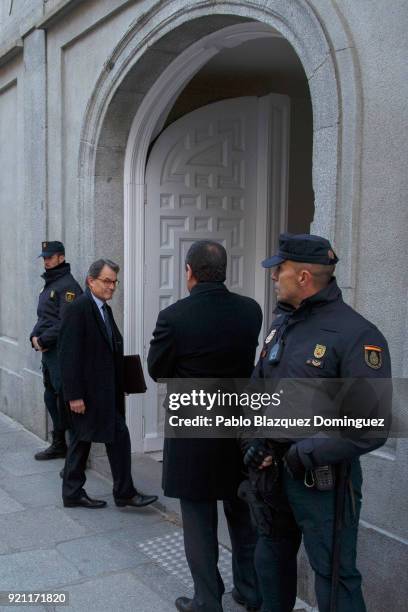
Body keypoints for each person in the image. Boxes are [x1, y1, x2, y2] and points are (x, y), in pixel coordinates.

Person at [242, 233, 391, 612]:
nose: (274, 276)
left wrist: (302, 454)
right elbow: (257, 389)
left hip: (322, 482)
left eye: (281, 269)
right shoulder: (282, 324)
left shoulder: (356, 334)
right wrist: (252, 440)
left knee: (334, 577)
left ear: (304, 277)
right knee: (270, 562)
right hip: (271, 475)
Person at [148, 240, 263, 612]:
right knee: (242, 514)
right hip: (238, 427)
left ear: (189, 272)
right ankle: (249, 590)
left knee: (199, 521)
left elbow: (158, 370)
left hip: (193, 431)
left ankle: (207, 600)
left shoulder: (174, 316)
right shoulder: (251, 311)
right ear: (224, 271)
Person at [59, 258, 157, 509]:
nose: (112, 287)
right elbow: (68, 355)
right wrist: (74, 395)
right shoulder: (78, 308)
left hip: (105, 392)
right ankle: (109, 492)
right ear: (91, 281)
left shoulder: (104, 309)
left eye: (115, 282)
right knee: (86, 440)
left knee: (104, 438)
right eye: (107, 281)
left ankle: (115, 492)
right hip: (87, 393)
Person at [30, 241, 82, 460]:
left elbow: (67, 322)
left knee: (65, 402)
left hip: (61, 352)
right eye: (44, 258)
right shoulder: (50, 284)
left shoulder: (67, 286)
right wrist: (34, 336)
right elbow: (44, 317)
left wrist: (43, 339)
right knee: (51, 398)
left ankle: (74, 455)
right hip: (49, 353)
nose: (46, 261)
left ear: (61, 258)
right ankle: (59, 444)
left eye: (49, 257)